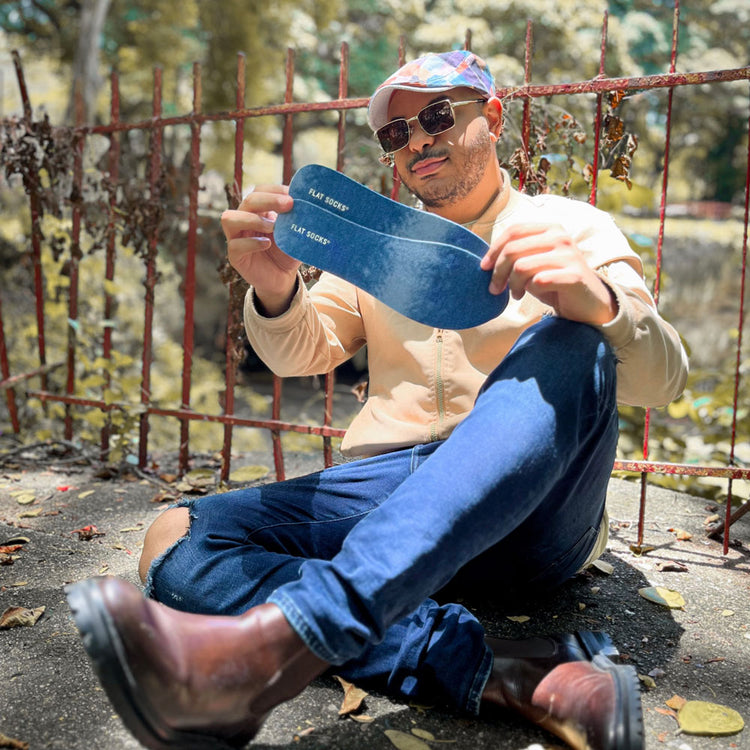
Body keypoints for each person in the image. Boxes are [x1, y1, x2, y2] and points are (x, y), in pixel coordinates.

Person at [65, 50, 688, 750]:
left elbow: (661, 382)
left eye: (435, 116)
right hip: (393, 499)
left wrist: (597, 302)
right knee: (176, 540)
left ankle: (283, 640)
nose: (417, 140)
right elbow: (305, 349)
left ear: (492, 116)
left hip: (534, 519)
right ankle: (507, 672)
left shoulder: (571, 227)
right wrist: (273, 287)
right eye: (397, 134)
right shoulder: (382, 244)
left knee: (573, 342)